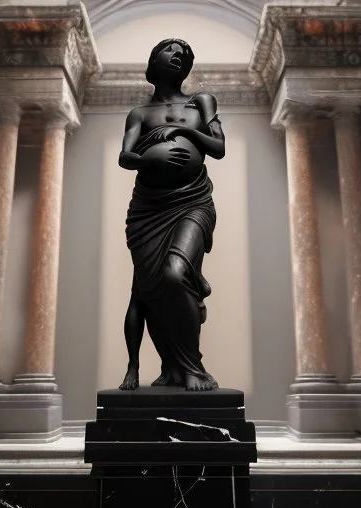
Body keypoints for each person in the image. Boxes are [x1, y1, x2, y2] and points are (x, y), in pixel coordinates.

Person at [118, 38, 225, 391]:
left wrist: (181, 130)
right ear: (154, 59)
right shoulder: (139, 113)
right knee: (152, 291)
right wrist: (150, 158)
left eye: (186, 54)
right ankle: (172, 367)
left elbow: (219, 147)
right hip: (148, 209)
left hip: (192, 200)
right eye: (171, 50)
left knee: (175, 274)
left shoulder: (201, 102)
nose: (180, 56)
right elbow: (126, 157)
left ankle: (193, 367)